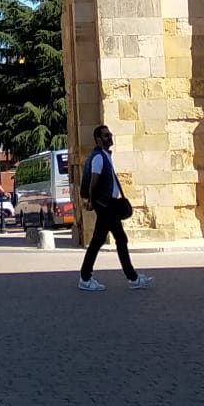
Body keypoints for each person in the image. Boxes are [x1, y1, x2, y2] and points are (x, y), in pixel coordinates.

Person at [77, 125, 154, 292]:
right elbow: (94, 181)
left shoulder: (104, 156)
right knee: (120, 238)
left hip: (107, 204)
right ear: (98, 139)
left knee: (99, 241)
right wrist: (91, 201)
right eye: (106, 135)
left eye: (110, 134)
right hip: (105, 205)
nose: (110, 137)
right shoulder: (99, 157)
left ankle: (85, 277)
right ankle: (132, 278)